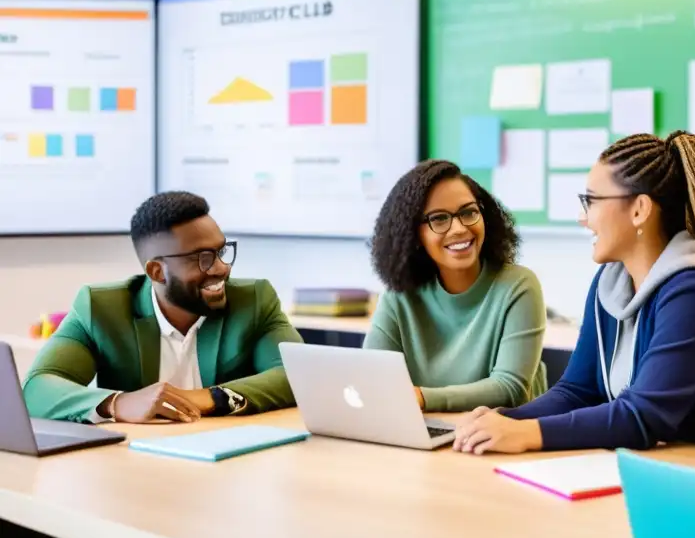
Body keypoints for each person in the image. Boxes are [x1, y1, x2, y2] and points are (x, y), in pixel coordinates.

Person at [453, 131, 695, 456]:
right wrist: (500, 421)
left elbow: (644, 416)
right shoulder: (609, 284)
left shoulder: (693, 292)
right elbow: (578, 391)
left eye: (591, 201)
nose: (583, 218)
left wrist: (526, 433)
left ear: (639, 209)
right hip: (665, 471)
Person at [23, 191, 303, 424]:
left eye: (220, 251)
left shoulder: (254, 300)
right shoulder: (101, 309)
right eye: (203, 258)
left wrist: (207, 397)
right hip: (138, 464)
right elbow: (37, 387)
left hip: (233, 459)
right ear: (157, 271)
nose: (222, 268)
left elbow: (297, 375)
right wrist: (118, 403)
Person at [364, 159, 546, 412]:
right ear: (413, 234)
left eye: (468, 212)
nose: (459, 228)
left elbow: (509, 387)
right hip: (427, 434)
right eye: (439, 219)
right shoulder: (399, 295)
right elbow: (371, 377)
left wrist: (422, 398)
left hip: (499, 439)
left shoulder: (518, 286)